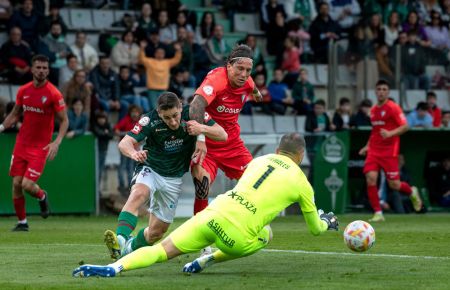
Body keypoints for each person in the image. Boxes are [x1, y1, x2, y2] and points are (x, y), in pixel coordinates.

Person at [73, 133, 339, 278]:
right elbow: (315, 229)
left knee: (161, 250)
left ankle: (114, 268)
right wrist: (326, 221)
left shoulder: (259, 160)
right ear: (301, 155)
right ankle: (208, 259)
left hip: (213, 213)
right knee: (265, 234)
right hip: (236, 236)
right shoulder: (303, 183)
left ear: (279, 149)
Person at [103, 92, 227, 260]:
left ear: (180, 107)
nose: (173, 121)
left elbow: (222, 134)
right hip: (150, 168)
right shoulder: (149, 120)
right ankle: (120, 240)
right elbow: (124, 143)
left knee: (156, 233)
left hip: (173, 179)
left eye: (175, 115)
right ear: (159, 113)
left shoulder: (193, 113)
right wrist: (134, 153)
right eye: (167, 118)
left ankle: (128, 249)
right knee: (138, 194)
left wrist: (201, 130)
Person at [188, 44, 262, 220]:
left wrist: (257, 94)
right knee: (202, 186)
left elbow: (253, 87)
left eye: (248, 70)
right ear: (229, 65)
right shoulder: (217, 80)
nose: (244, 74)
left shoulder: (247, 81)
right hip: (207, 145)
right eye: (239, 69)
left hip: (233, 145)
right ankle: (200, 234)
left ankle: (245, 221)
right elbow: (196, 105)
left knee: (257, 182)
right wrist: (200, 139)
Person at [0, 54, 69, 231]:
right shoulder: (23, 90)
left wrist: (57, 142)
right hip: (21, 144)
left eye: (45, 68)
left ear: (48, 70)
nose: (41, 71)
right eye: (38, 67)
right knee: (16, 184)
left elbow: (64, 121)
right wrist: (1, 127)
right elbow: (15, 113)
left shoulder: (53, 93)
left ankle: (41, 196)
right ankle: (22, 223)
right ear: (32, 69)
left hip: (40, 147)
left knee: (26, 184)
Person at [359, 79, 422, 222]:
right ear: (375, 92)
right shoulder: (373, 110)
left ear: (388, 92)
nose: (381, 91)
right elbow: (374, 132)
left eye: (384, 89)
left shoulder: (393, 107)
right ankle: (378, 213)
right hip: (374, 151)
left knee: (394, 184)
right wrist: (367, 146)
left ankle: (412, 191)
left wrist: (390, 133)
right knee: (371, 179)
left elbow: (405, 126)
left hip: (389, 152)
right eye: (379, 89)